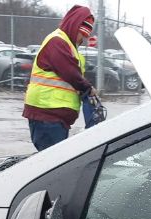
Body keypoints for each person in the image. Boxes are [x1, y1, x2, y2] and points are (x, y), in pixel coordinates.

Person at [23, 5, 97, 151]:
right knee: (51, 166)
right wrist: (88, 88)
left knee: (52, 163)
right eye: (81, 34)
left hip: (54, 117)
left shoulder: (67, 45)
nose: (82, 39)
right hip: (47, 114)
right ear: (74, 26)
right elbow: (70, 72)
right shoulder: (58, 42)